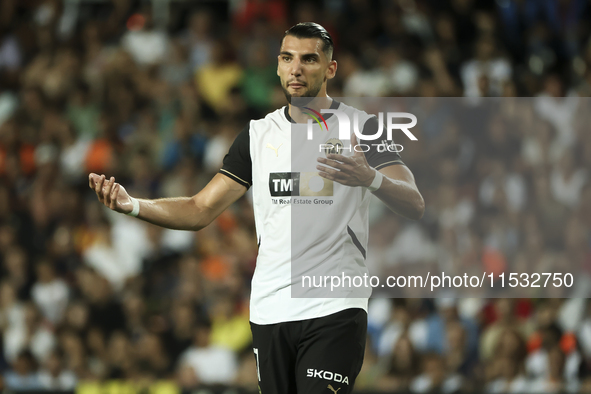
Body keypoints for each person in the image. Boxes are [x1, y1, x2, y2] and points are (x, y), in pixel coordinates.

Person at [90, 22, 424, 394]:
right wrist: (133, 204)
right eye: (287, 58)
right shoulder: (256, 136)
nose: (296, 69)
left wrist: (370, 178)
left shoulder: (362, 128)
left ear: (330, 68)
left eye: (309, 59)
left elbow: (414, 202)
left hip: (334, 305)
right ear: (278, 66)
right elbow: (200, 208)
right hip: (270, 309)